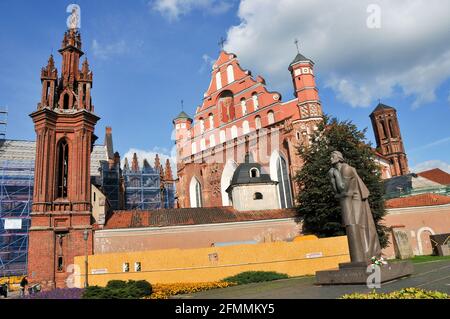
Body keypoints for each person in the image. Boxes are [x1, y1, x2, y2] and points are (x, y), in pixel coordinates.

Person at [328, 151, 381, 263]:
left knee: (358, 223)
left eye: (332, 157)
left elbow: (343, 189)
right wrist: (332, 177)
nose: (330, 159)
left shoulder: (346, 169)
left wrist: (336, 175)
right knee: (352, 224)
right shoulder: (334, 170)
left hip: (356, 198)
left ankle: (367, 254)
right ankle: (361, 256)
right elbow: (336, 191)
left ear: (339, 158)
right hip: (347, 199)